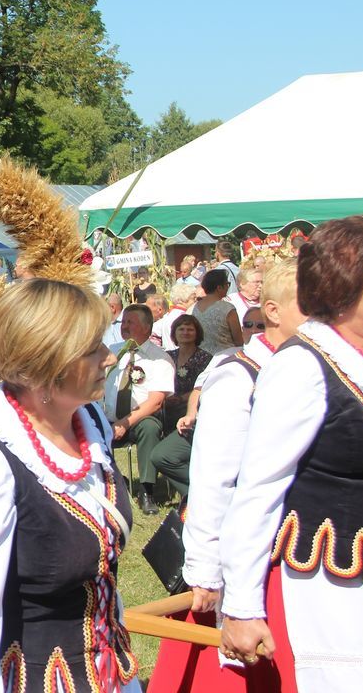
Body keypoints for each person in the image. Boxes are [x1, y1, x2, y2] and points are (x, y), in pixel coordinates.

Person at [219, 216, 363, 690]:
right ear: (344, 289)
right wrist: (240, 605)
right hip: (331, 588)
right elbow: (258, 489)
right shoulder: (302, 366)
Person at [0, 279, 137, 690]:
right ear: (48, 366)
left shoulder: (90, 424)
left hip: (104, 671)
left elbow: (100, 578)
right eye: (92, 349)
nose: (109, 358)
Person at [146, 259, 305, 693]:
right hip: (240, 558)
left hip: (286, 555)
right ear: (273, 311)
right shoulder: (239, 376)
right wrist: (206, 570)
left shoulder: (304, 372)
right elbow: (214, 478)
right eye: (313, 306)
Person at [102, 304, 174, 516]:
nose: (124, 326)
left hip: (141, 418)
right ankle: (109, 481)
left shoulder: (159, 358)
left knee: (150, 428)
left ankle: (147, 490)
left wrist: (124, 423)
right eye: (123, 322)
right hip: (109, 417)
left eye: (130, 322)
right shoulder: (111, 352)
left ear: (146, 328)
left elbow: (155, 402)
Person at [148, 315, 212, 498]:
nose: (185, 332)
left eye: (190, 329)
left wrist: (182, 398)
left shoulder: (205, 357)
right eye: (181, 329)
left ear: (197, 333)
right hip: (167, 405)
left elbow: (202, 387)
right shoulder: (168, 356)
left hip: (191, 409)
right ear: (174, 333)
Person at [190, 269, 242, 354]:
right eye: (227, 284)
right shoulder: (228, 308)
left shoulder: (196, 306)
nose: (228, 287)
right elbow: (238, 340)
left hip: (202, 356)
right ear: (219, 287)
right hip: (225, 357)